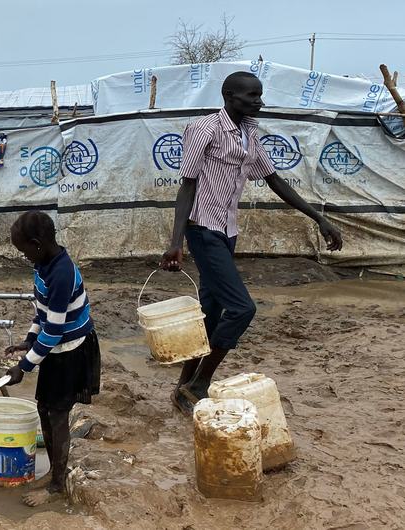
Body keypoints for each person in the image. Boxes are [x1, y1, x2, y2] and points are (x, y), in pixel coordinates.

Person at [161, 72, 344, 414]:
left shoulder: (248, 133)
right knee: (242, 308)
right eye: (251, 96)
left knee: (210, 312)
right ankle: (200, 383)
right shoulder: (205, 129)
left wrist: (318, 217)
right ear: (229, 96)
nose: (258, 102)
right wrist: (176, 242)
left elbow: (274, 180)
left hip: (227, 230)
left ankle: (182, 388)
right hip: (202, 229)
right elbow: (187, 185)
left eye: (260, 95)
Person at [4, 211, 101, 507]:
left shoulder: (61, 273)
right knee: (44, 407)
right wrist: (29, 340)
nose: (24, 257)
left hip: (71, 351)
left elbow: (56, 330)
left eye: (24, 251)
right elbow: (42, 313)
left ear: (37, 243)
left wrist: (24, 366)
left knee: (58, 414)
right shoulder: (42, 264)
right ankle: (55, 473)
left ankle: (57, 485)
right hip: (55, 349)